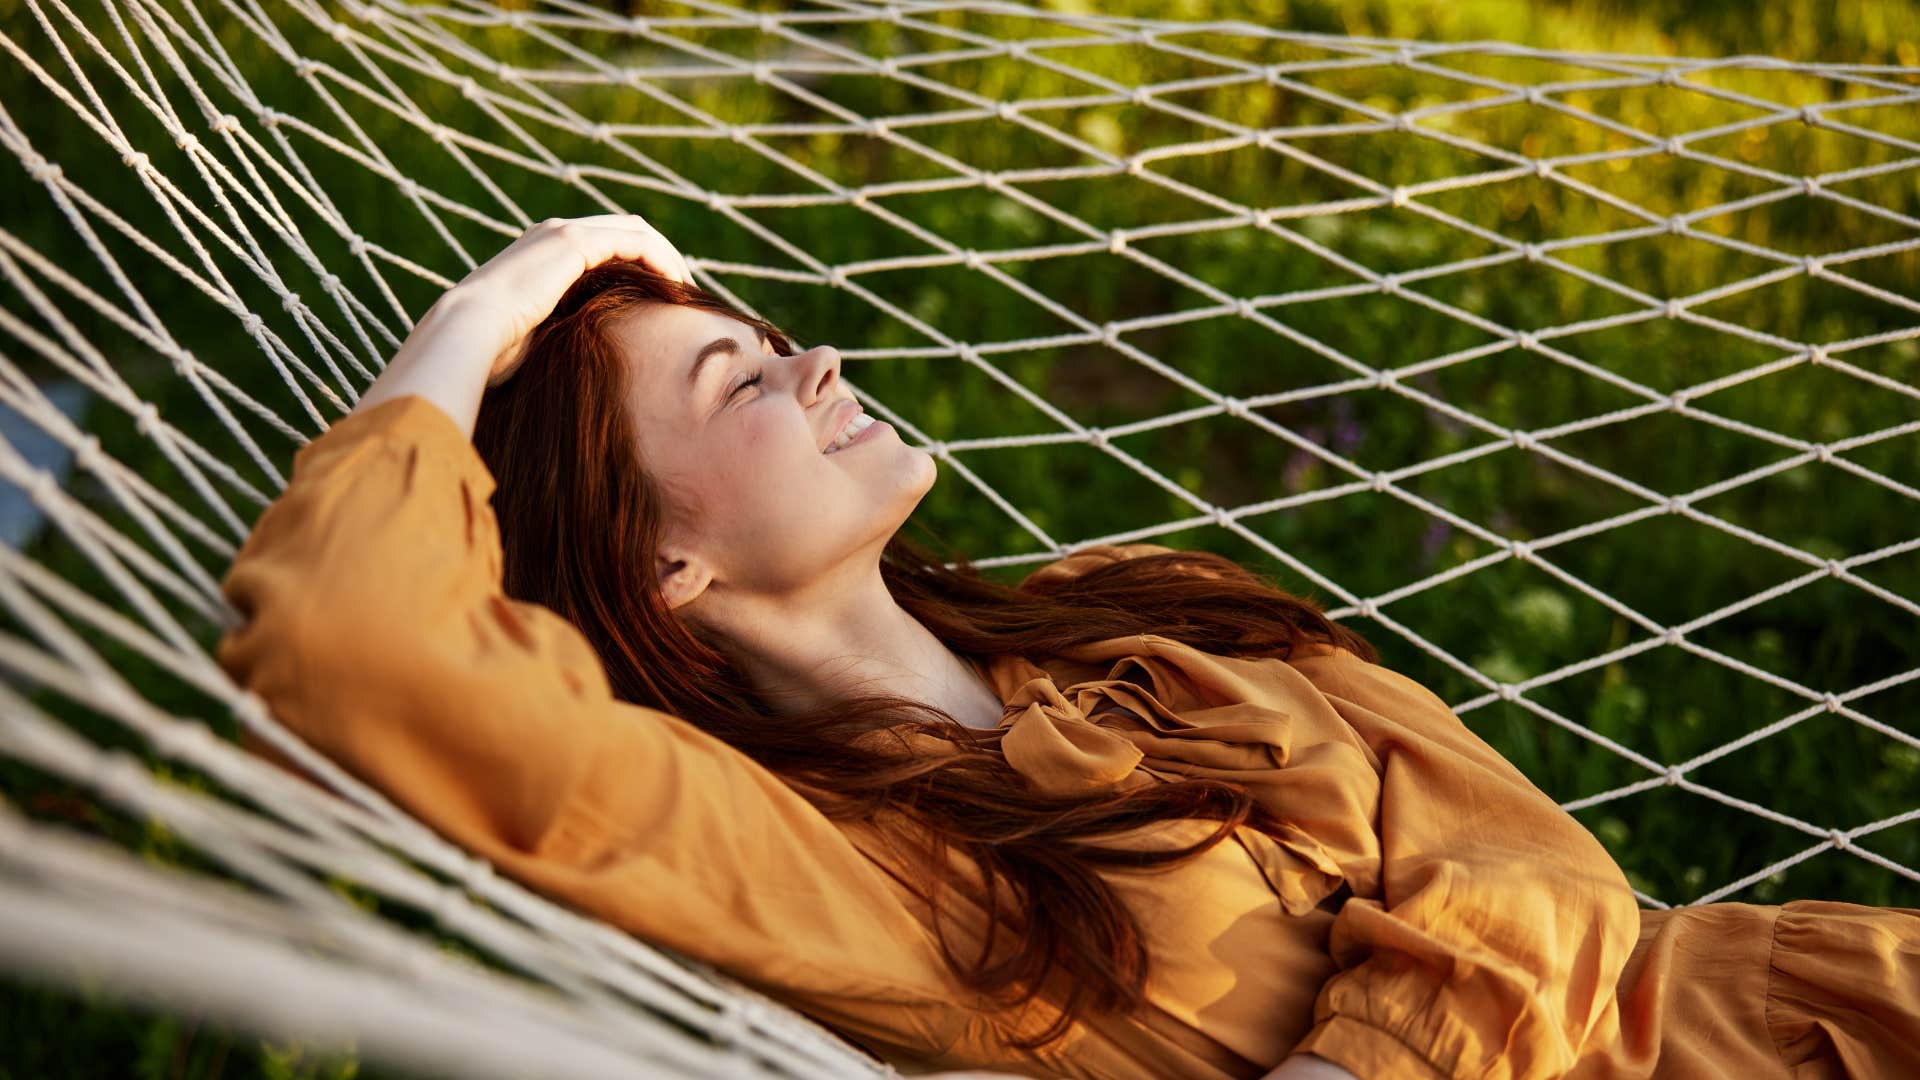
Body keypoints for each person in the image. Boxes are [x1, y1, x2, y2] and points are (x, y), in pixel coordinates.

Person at [216, 214, 1920, 1079]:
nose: (815, 367)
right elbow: (355, 644)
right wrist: (501, 303)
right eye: (740, 381)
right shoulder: (821, 860)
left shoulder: (1137, 610)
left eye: (776, 341)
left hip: (1814, 1008)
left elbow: (1535, 861)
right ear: (660, 568)